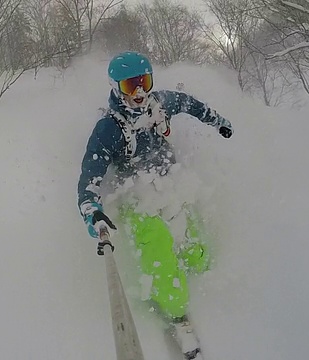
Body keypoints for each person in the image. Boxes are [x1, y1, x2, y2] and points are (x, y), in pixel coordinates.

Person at [77, 51, 233, 325]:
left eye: (144, 82)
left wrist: (217, 121)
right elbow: (91, 172)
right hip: (135, 196)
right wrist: (91, 208)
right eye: (129, 85)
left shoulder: (160, 103)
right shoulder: (108, 129)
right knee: (157, 243)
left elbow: (190, 104)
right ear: (117, 88)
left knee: (197, 253)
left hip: (169, 184)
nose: (138, 92)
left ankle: (202, 279)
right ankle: (174, 309)